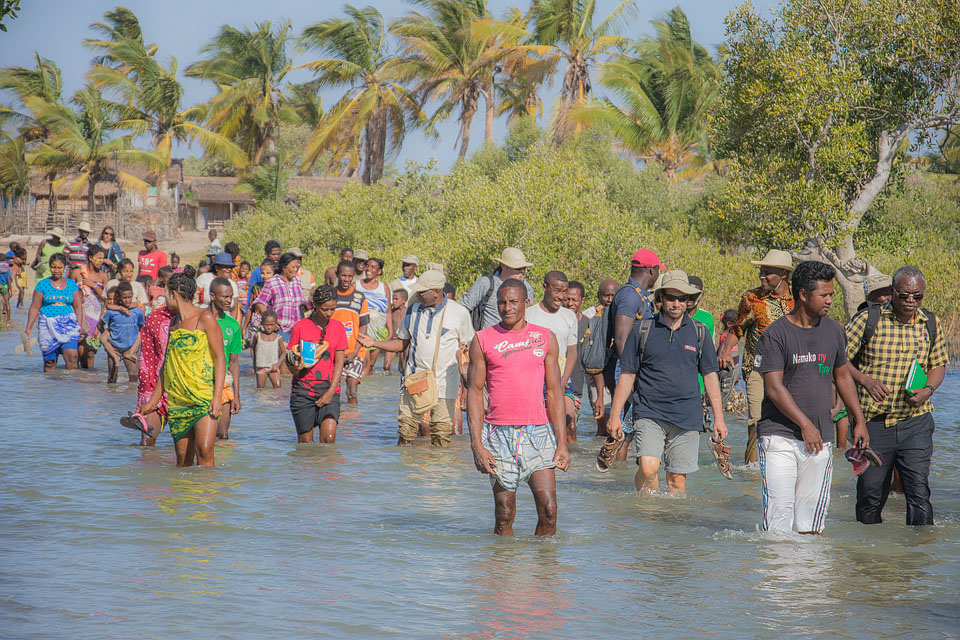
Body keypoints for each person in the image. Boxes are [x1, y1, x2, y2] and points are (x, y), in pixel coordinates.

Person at [753, 261, 866, 534]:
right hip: (778, 436)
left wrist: (858, 420)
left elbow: (842, 377)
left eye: (831, 295)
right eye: (823, 295)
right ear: (803, 295)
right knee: (779, 517)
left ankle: (809, 576)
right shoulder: (776, 333)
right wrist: (805, 425)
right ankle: (778, 575)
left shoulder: (834, 330)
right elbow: (774, 388)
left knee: (811, 524)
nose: (829, 300)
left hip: (819, 441)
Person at [606, 271, 728, 495]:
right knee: (648, 467)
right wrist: (615, 415)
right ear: (660, 298)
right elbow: (627, 375)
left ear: (689, 301)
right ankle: (646, 513)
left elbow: (710, 376)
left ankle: (667, 526)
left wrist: (719, 418)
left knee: (676, 483)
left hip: (687, 415)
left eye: (682, 298)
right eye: (671, 297)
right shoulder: (642, 329)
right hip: (649, 411)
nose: (676, 303)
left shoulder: (699, 332)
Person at [845, 265, 947, 526]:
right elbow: (838, 361)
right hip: (874, 423)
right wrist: (865, 380)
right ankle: (868, 559)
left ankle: (915, 558)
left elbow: (938, 365)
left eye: (917, 296)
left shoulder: (930, 323)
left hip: (916, 421)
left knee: (918, 492)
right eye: (904, 295)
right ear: (892, 292)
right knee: (870, 495)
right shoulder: (868, 320)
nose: (911, 301)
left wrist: (928, 390)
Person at [467, 278, 570, 535]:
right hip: (498, 435)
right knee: (504, 513)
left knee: (549, 509)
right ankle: (503, 571)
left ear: (526, 303)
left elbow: (554, 391)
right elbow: (475, 392)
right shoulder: (482, 340)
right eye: (502, 302)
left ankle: (544, 572)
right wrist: (477, 445)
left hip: (538, 433)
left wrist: (562, 443)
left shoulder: (545, 338)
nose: (507, 307)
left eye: (513, 302)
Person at [359, 270, 474, 446]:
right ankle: (407, 472)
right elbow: (402, 344)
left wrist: (466, 387)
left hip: (446, 383)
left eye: (422, 292)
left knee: (441, 435)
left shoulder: (459, 313)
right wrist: (374, 342)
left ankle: (438, 473)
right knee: (405, 431)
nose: (417, 295)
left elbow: (467, 350)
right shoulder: (413, 311)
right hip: (414, 381)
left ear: (435, 292)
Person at [139, 273, 226, 468]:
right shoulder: (173, 323)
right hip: (178, 401)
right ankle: (185, 496)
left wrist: (217, 396)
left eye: (166, 293)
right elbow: (166, 367)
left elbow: (221, 358)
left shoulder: (205, 318)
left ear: (174, 293)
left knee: (204, 452)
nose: (163, 298)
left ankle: (208, 497)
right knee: (183, 460)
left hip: (204, 397)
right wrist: (152, 403)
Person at [717, 249, 795, 464]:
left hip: (790, 370)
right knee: (757, 420)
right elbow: (737, 329)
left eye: (768, 272)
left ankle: (782, 464)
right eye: (761, 271)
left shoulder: (798, 299)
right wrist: (724, 352)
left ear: (783, 275)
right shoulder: (751, 299)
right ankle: (752, 469)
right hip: (757, 369)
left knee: (789, 420)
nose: (762, 276)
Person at [595, 249, 663, 470]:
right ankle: (614, 472)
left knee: (628, 428)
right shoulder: (630, 296)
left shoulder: (639, 294)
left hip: (631, 368)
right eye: (657, 271)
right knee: (621, 428)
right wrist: (632, 376)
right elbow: (622, 337)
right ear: (651, 270)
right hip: (625, 369)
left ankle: (618, 471)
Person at [287, 285, 348, 443]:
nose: (329, 313)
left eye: (332, 309)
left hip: (329, 389)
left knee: (328, 439)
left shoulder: (338, 327)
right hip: (303, 392)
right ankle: (309, 468)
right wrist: (295, 366)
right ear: (315, 306)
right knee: (306, 444)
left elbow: (339, 362)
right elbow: (290, 364)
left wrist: (330, 392)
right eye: (325, 309)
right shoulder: (300, 327)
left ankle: (327, 468)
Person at [526, 271, 579, 442]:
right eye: (557, 291)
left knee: (569, 423)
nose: (561, 297)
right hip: (534, 380)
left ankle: (570, 464)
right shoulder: (529, 315)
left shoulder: (569, 316)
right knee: (538, 426)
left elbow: (572, 352)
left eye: (564, 292)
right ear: (544, 287)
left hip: (562, 379)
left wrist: (563, 381)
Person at [24, 253, 85, 371]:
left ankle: (70, 386)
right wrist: (28, 328)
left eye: (59, 267)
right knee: (50, 362)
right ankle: (50, 388)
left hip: (68, 325)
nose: (56, 270)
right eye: (53, 267)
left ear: (64, 268)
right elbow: (35, 307)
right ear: (50, 267)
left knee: (72, 357)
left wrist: (80, 325)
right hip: (47, 326)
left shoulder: (71, 285)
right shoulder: (42, 285)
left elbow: (78, 306)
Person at [460, 248, 536, 330]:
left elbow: (527, 316)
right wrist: (471, 334)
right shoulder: (486, 283)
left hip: (516, 340)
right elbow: (462, 309)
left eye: (524, 268)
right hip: (488, 339)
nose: (522, 271)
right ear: (503, 266)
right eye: (518, 268)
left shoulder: (527, 288)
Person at [136, 291, 175, 446]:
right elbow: (146, 356)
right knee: (147, 442)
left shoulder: (199, 319)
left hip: (186, 389)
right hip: (154, 386)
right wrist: (148, 395)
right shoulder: (155, 317)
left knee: (184, 449)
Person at [331, 260, 369, 405]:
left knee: (352, 391)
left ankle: (353, 423)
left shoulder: (359, 298)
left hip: (354, 351)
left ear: (354, 275)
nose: (346, 279)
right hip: (333, 351)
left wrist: (356, 351)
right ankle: (337, 420)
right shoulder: (331, 295)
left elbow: (363, 326)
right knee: (334, 389)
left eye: (349, 276)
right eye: (343, 276)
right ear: (337, 275)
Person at [209, 277, 242, 440]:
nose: (229, 301)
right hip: (201, 383)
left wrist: (236, 395)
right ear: (212, 296)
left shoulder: (233, 325)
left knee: (222, 435)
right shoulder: (199, 320)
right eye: (225, 297)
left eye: (231, 296)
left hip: (224, 386)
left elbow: (234, 362)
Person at [253, 252, 307, 342]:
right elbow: (259, 303)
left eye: (297, 267)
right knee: (282, 355)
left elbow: (300, 303)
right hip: (282, 330)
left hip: (299, 329)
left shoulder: (297, 281)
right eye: (292, 267)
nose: (295, 270)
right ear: (284, 267)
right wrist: (271, 321)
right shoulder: (272, 282)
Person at [100, 281, 144, 384]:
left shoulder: (137, 311)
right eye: (125, 298)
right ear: (119, 297)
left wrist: (133, 349)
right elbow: (100, 324)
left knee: (134, 379)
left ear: (132, 295)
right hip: (114, 347)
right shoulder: (112, 312)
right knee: (111, 379)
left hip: (131, 347)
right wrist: (107, 333)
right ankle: (112, 399)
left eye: (129, 297)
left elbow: (141, 327)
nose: (128, 300)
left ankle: (127, 399)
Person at [359, 257, 392, 376]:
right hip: (362, 330)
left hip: (378, 331)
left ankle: (372, 392)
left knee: (371, 366)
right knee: (364, 365)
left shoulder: (384, 288)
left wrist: (390, 331)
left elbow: (387, 311)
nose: (369, 269)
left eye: (373, 267)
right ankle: (363, 392)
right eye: (367, 266)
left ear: (379, 271)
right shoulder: (356, 285)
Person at [196, 253, 241, 318]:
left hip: (225, 322)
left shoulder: (232, 284)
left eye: (230, 267)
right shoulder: (204, 279)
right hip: (203, 318)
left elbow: (234, 309)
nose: (229, 269)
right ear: (217, 267)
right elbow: (194, 301)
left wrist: (232, 325)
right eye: (225, 267)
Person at [242, 258, 277, 340]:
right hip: (256, 323)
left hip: (270, 324)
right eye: (262, 273)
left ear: (274, 274)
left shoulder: (276, 288)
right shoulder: (256, 287)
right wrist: (244, 327)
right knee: (254, 347)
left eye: (268, 273)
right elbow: (250, 308)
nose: (264, 276)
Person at [251, 309, 285, 388]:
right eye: (266, 324)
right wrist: (254, 364)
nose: (269, 327)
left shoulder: (278, 337)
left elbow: (283, 352)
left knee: (277, 389)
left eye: (272, 325)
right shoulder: (258, 336)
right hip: (261, 367)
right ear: (262, 323)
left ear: (276, 324)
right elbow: (252, 348)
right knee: (261, 390)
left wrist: (278, 364)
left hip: (274, 367)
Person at [383, 287, 408, 374]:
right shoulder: (391, 312)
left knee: (403, 367)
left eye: (396, 299)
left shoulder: (408, 312)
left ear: (404, 300)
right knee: (386, 367)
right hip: (392, 340)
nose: (394, 301)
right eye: (393, 299)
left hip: (404, 342)